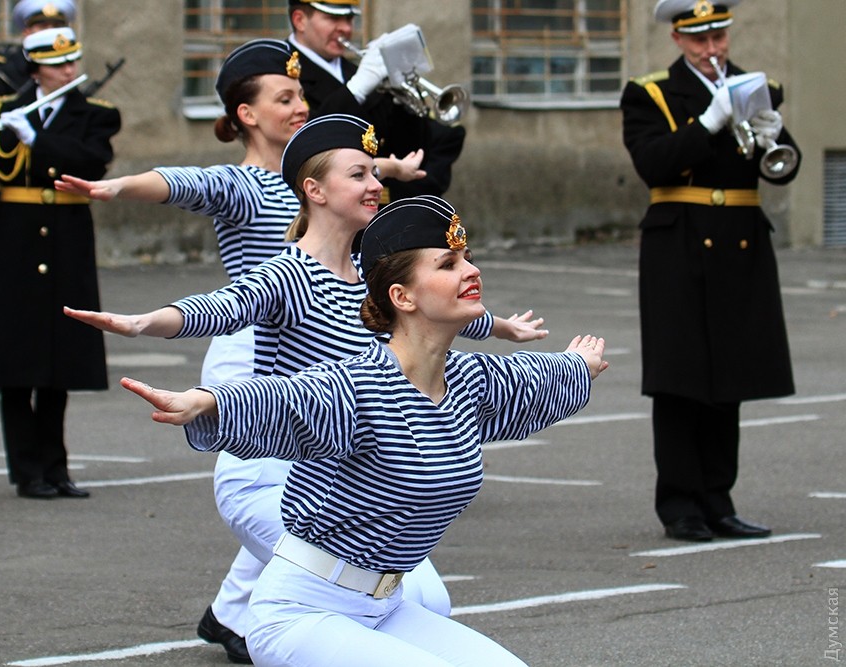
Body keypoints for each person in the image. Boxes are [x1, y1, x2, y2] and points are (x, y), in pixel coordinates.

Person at [65, 114, 547, 664]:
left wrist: (503, 327)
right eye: (359, 174)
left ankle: (232, 614)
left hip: (344, 466)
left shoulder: (372, 271)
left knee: (418, 596)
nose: (375, 185)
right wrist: (147, 323)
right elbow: (225, 306)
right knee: (367, 581)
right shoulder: (289, 274)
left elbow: (431, 316)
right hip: (269, 463)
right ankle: (271, 626)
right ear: (314, 190)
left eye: (375, 173)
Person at [117, 194, 607, 667]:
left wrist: (578, 365)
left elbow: (533, 379)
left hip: (384, 606)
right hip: (302, 613)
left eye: (468, 259)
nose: (471, 270)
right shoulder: (358, 385)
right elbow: (286, 400)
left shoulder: (468, 381)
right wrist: (206, 403)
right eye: (448, 264)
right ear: (402, 296)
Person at [620, 0, 800, 543]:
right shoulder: (650, 93)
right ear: (678, 39)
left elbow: (783, 169)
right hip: (678, 243)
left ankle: (719, 500)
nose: (712, 49)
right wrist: (709, 122)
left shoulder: (753, 87)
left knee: (731, 376)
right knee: (681, 378)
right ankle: (680, 505)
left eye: (719, 36)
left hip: (741, 243)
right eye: (699, 39)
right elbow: (653, 163)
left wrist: (773, 134)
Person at [0, 26, 121, 500]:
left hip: (65, 238)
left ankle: (56, 468)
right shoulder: (3, 109)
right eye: (57, 65)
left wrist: (36, 139)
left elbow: (90, 163)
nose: (69, 70)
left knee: (59, 359)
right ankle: (27, 470)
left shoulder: (95, 113)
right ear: (35, 69)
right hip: (14, 238)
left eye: (72, 61)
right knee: (17, 360)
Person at [287, 0, 465, 203]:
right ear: (300, 20)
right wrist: (355, 91)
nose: (346, 28)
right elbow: (306, 142)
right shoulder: (283, 73)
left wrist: (402, 98)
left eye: (349, 19)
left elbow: (409, 145)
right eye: (333, 18)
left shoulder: (355, 71)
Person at [0, 0, 75, 96]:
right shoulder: (5, 70)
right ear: (27, 32)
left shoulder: (69, 66)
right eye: (43, 27)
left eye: (57, 26)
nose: (51, 33)